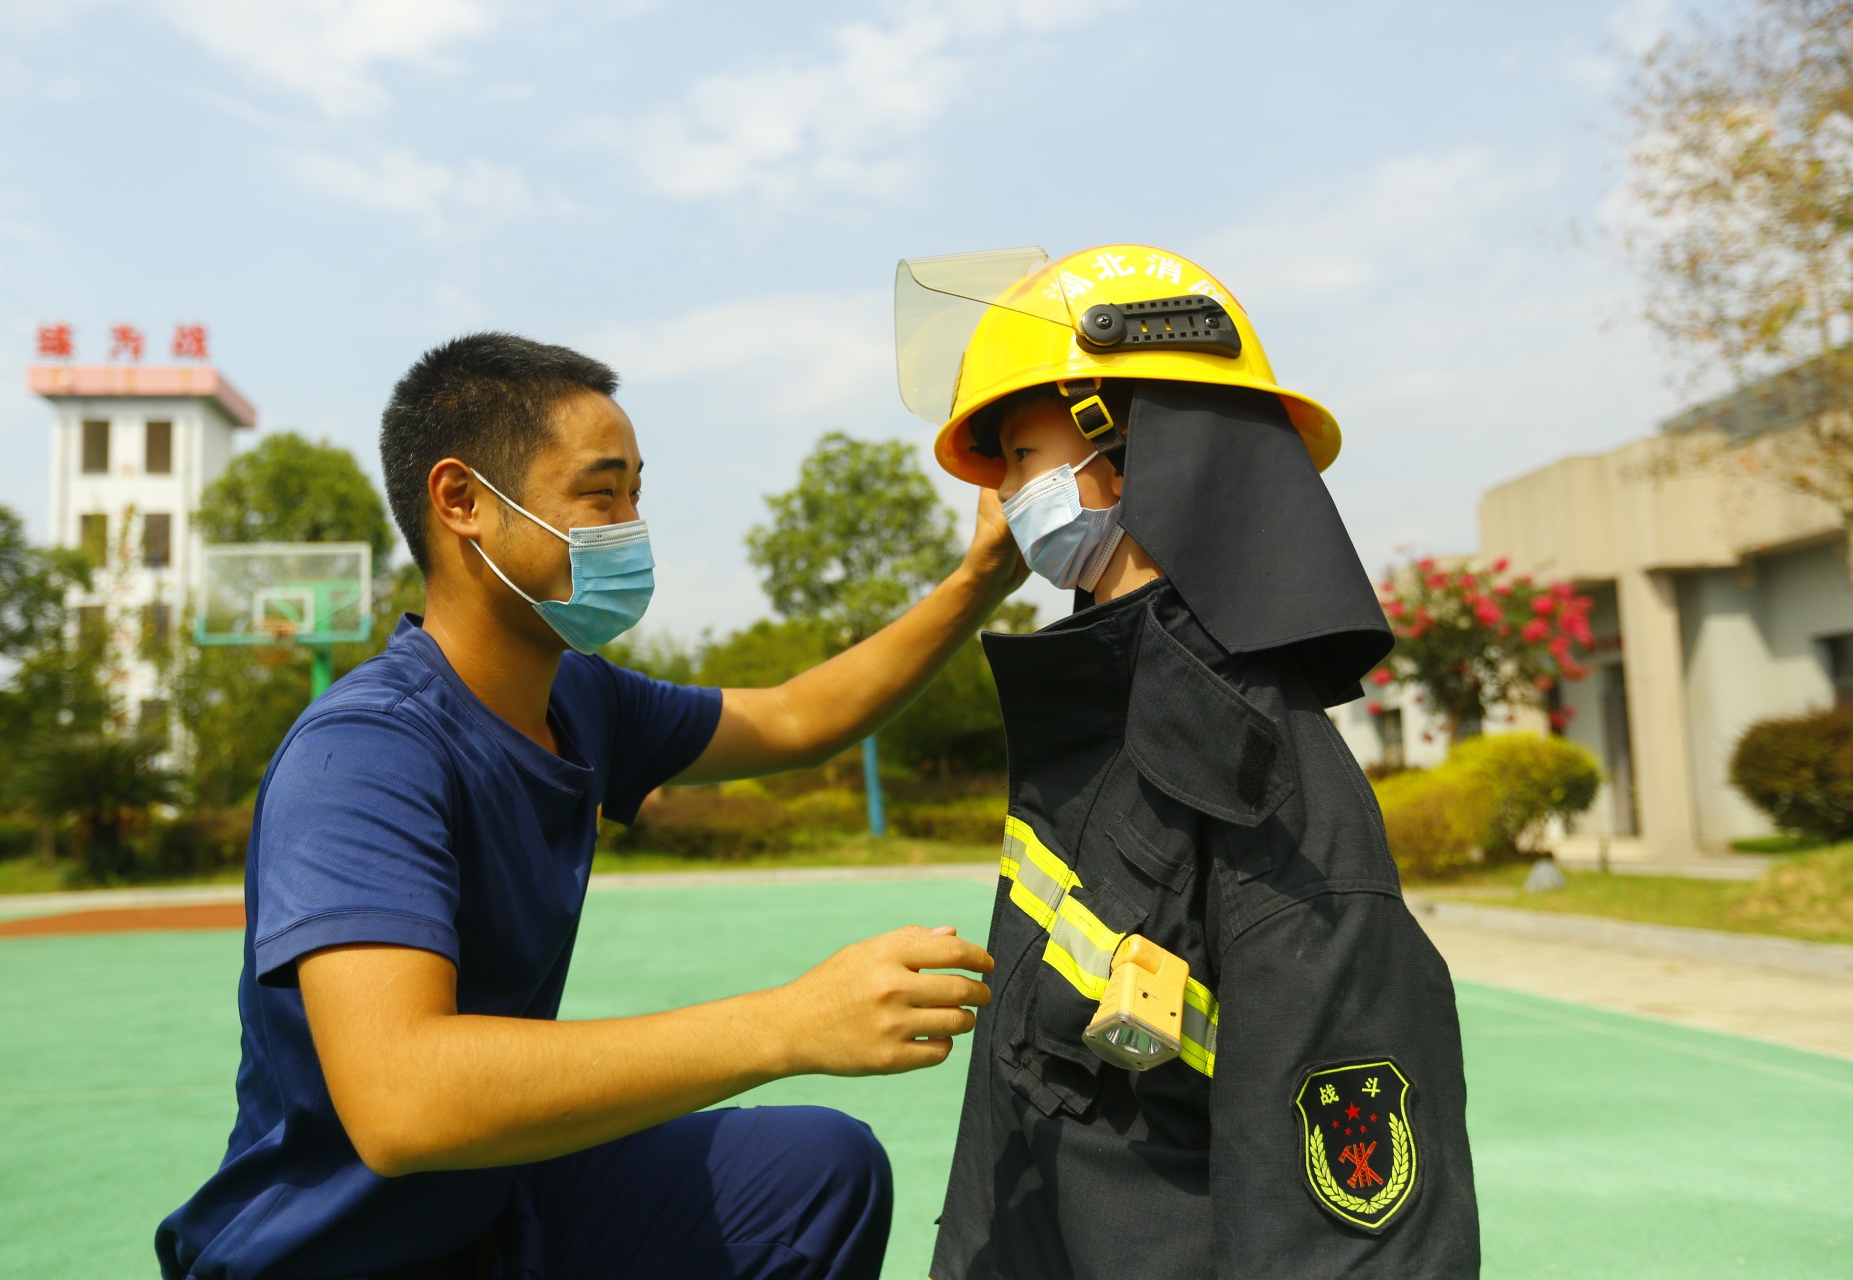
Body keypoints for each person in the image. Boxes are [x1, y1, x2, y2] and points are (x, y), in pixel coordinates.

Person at [156, 332, 1027, 1280]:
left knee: (817, 1172)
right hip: (336, 1258)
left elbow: (791, 719)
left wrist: (982, 575)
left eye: (637, 495)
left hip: (488, 1207)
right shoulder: (364, 754)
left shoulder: (578, 698)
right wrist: (789, 1023)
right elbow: (403, 1100)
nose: (630, 528)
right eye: (599, 494)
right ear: (464, 504)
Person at [894, 245, 1482, 1277]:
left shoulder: (1268, 784)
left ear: (1121, 453)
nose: (1001, 494)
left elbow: (1342, 1240)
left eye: (1020, 455)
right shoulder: (1108, 717)